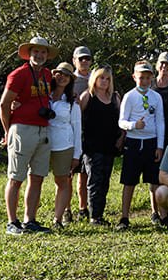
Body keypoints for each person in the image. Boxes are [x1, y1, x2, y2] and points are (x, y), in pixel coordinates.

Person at [0, 36, 56, 235]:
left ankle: (30, 220)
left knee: (37, 177)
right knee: (16, 178)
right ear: (29, 53)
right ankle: (12, 222)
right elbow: (4, 104)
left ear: (47, 55)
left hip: (43, 129)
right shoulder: (19, 74)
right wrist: (8, 131)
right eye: (36, 51)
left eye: (43, 52)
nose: (39, 55)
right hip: (22, 129)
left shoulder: (47, 75)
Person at [116, 61, 165, 230]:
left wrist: (160, 146)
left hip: (151, 142)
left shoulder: (156, 97)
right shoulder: (129, 96)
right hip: (133, 143)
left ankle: (157, 214)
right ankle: (124, 217)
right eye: (141, 77)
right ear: (134, 77)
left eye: (147, 78)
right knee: (129, 181)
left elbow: (160, 122)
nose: (144, 81)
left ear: (152, 78)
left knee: (154, 181)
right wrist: (133, 125)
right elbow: (121, 121)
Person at [78, 66, 123, 226]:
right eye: (101, 78)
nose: (104, 81)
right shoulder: (87, 96)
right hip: (91, 147)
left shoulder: (114, 98)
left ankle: (100, 215)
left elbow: (121, 120)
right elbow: (77, 119)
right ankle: (94, 216)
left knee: (105, 181)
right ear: (94, 79)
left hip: (109, 146)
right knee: (94, 181)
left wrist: (121, 138)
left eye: (107, 79)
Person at [48, 62, 83, 228]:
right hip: (42, 144)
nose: (62, 77)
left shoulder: (72, 103)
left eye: (67, 75)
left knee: (62, 181)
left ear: (70, 80)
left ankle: (58, 218)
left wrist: (77, 155)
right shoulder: (44, 96)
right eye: (59, 74)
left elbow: (77, 129)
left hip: (64, 145)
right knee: (35, 179)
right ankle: (30, 218)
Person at [72, 46, 94, 221]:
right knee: (67, 173)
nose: (85, 61)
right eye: (81, 58)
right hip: (71, 131)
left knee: (85, 173)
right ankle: (65, 210)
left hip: (90, 131)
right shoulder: (69, 79)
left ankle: (83, 208)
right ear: (74, 61)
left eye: (87, 58)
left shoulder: (96, 78)